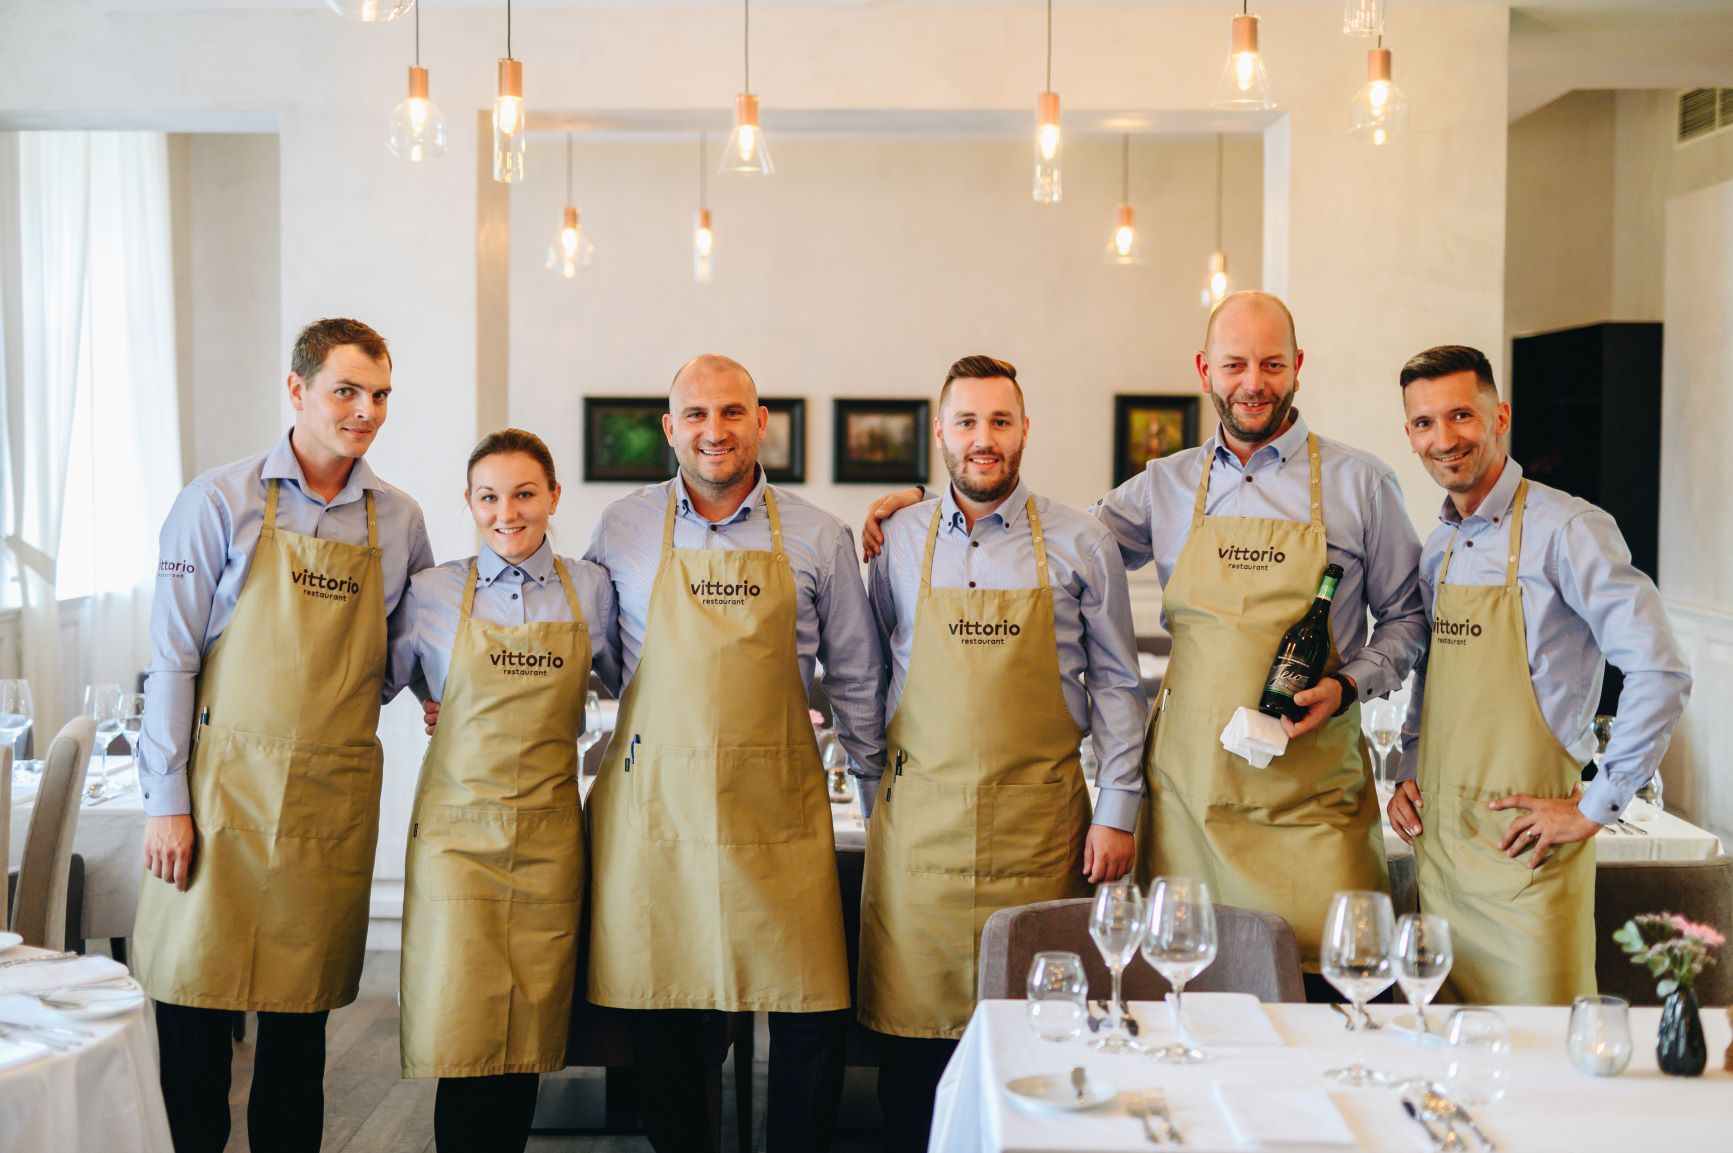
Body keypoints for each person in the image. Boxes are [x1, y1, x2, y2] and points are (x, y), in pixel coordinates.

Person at [863, 293, 1426, 994]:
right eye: (1234, 364)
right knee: (1191, 995)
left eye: (1271, 364)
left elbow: (1407, 620)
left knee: (1322, 996)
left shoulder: (1362, 484)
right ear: (1205, 370)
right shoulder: (1166, 484)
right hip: (1189, 801)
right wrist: (930, 505)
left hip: (1313, 801)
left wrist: (1346, 685)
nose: (1253, 382)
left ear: (1297, 366)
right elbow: (1042, 536)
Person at [132, 318, 434, 1153]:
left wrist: (450, 690)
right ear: (296, 389)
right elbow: (171, 661)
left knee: (300, 1028)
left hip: (327, 799)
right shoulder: (214, 500)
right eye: (347, 391)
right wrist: (165, 802)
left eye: (379, 395)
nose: (366, 411)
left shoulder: (399, 519)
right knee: (194, 1007)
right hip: (218, 793)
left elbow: (411, 648)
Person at [583, 354, 885, 1153]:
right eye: (695, 414)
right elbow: (594, 650)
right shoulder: (620, 527)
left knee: (811, 1006)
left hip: (776, 809)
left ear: (760, 423)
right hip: (661, 810)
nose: (713, 430)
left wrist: (876, 795)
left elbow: (856, 677)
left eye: (730, 412)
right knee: (669, 1004)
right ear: (668, 428)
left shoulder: (819, 534)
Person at [859, 356, 1147, 1151]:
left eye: (998, 421)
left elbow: (1118, 684)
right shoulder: (894, 541)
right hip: (920, 833)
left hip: (1042, 828)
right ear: (940, 433)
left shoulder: (1082, 540)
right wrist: (869, 785)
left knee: (1041, 1037)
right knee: (913, 1051)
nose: (982, 438)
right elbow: (870, 671)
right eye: (966, 422)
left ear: (1024, 430)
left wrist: (1118, 807)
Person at [1387, 345, 1691, 1005]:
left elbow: (1660, 669)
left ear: (1500, 417)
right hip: (1441, 862)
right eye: (1424, 422)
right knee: (1445, 1050)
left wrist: (1596, 804)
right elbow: (1431, 674)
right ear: (1409, 435)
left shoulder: (1569, 529)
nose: (1444, 438)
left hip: (1528, 866)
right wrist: (1409, 765)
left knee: (1542, 1057)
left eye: (1461, 415)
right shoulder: (1438, 546)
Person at [387, 430, 619, 1152]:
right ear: (469, 502)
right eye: (488, 497)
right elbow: (371, 680)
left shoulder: (592, 588)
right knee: (463, 1026)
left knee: (526, 1029)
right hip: (456, 838)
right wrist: (433, 699)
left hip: (549, 836)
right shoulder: (430, 592)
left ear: (553, 496)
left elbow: (638, 678)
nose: (506, 512)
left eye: (524, 494)